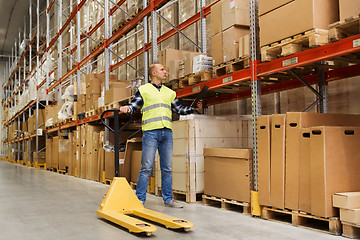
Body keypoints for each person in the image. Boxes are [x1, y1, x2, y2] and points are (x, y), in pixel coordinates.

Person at [120, 63, 202, 208]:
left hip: (167, 133)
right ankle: (139, 200)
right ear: (153, 73)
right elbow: (134, 105)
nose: (165, 71)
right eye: (162, 69)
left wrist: (192, 108)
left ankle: (168, 199)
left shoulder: (169, 92)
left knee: (167, 168)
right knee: (146, 167)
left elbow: (179, 109)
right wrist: (127, 108)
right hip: (151, 132)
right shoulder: (143, 90)